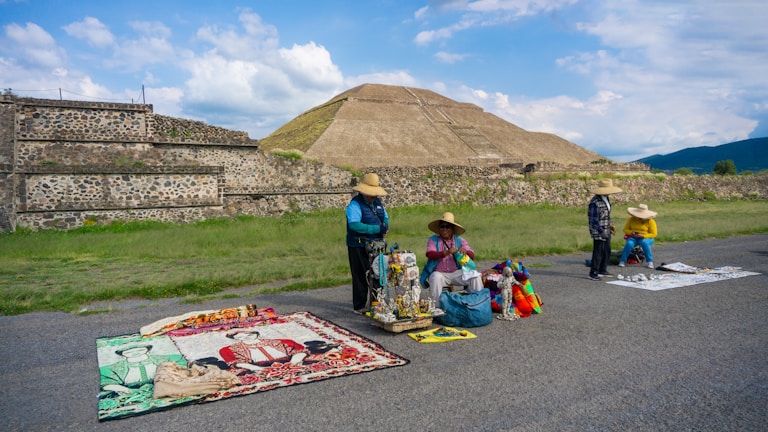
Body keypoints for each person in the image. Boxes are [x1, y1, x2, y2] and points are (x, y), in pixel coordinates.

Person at [345, 172, 389, 314]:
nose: (373, 196)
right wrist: (376, 228)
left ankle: (376, 304)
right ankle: (359, 306)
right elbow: (354, 225)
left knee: (378, 273)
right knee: (361, 275)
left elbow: (385, 217)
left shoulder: (378, 203)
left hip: (376, 245)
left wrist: (385, 226)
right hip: (358, 245)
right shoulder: (355, 205)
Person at [422, 212, 483, 306]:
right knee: (435, 278)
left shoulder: (459, 240)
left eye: (447, 227)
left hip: (456, 272)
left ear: (452, 229)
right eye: (442, 226)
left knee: (475, 276)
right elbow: (430, 254)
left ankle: (478, 304)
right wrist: (446, 252)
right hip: (440, 273)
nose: (444, 229)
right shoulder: (433, 239)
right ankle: (438, 307)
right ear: (439, 228)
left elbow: (472, 255)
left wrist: (465, 252)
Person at [587, 179, 622, 281]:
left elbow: (606, 215)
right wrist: (601, 231)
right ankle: (593, 272)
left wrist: (609, 225)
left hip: (606, 228)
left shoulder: (606, 199)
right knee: (598, 251)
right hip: (598, 231)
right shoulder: (595, 202)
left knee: (607, 250)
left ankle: (603, 269)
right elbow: (593, 219)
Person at [618, 203, 658, 269]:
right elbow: (625, 230)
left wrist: (644, 236)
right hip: (633, 237)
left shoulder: (651, 222)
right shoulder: (631, 219)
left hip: (646, 238)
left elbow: (654, 234)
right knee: (629, 243)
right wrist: (632, 233)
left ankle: (650, 261)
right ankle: (622, 261)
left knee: (644, 243)